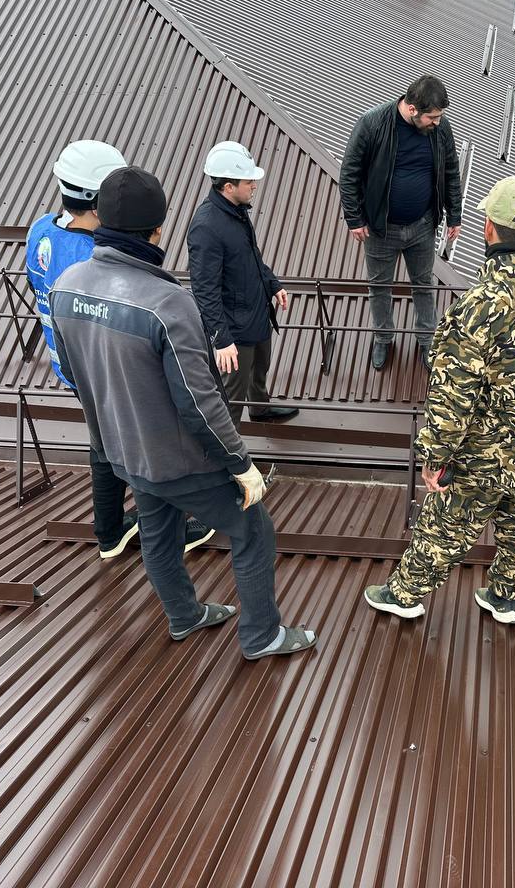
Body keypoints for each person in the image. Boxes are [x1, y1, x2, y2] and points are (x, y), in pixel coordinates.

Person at [50, 166, 317, 658]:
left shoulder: (66, 286)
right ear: (157, 230)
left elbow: (71, 370)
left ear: (100, 219)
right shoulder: (168, 304)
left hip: (121, 450)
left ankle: (185, 616)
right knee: (253, 529)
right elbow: (199, 402)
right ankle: (263, 636)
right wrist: (241, 464)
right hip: (178, 459)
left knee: (158, 532)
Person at [363, 177, 515, 626]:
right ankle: (504, 599)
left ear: (490, 228)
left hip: (482, 453)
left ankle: (404, 594)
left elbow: (453, 397)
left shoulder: (480, 306)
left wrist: (434, 456)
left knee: (446, 525)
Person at [25, 140, 212, 558]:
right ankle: (167, 530)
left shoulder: (40, 230)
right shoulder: (90, 255)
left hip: (72, 362)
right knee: (145, 438)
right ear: (97, 204)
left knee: (103, 439)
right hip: (105, 362)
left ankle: (109, 531)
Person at [339, 74, 464, 372]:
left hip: (422, 226)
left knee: (424, 285)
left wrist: (454, 215)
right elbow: (349, 174)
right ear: (412, 109)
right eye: (432, 117)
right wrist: (354, 219)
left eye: (439, 117)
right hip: (381, 229)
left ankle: (427, 340)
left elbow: (450, 171)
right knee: (379, 286)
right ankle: (383, 337)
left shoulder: (440, 128)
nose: (437, 122)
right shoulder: (372, 124)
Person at [187, 141, 297, 427]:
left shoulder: (237, 210)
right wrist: (221, 339)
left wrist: (273, 284)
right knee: (231, 397)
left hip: (256, 315)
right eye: (249, 182)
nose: (254, 186)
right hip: (235, 330)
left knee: (260, 369)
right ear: (228, 186)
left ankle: (260, 408)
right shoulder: (206, 226)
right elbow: (204, 290)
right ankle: (230, 449)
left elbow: (251, 256)